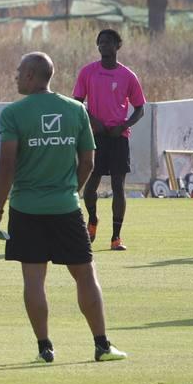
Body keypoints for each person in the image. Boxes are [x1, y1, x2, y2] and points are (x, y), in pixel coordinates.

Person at [0, 52, 126, 363]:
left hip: (26, 209)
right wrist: (69, 192)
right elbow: (88, 162)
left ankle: (44, 348)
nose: (15, 76)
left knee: (34, 280)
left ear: (33, 76)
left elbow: (6, 163)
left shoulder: (13, 113)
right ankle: (102, 345)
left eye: (20, 71)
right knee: (86, 276)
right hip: (66, 208)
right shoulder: (76, 110)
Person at [72, 29, 146, 250]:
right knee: (90, 186)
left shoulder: (127, 76)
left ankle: (116, 237)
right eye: (101, 42)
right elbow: (77, 103)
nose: (104, 45)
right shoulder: (88, 72)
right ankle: (93, 220)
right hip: (95, 137)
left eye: (108, 42)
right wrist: (93, 121)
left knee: (118, 187)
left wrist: (124, 125)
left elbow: (140, 108)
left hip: (118, 137)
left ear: (117, 46)